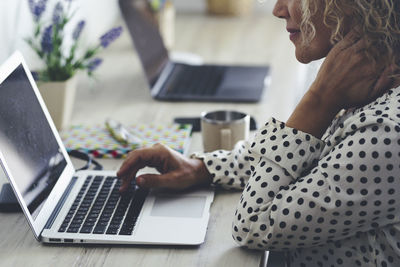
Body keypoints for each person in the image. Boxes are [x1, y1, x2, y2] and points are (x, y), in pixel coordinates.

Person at [118, 0, 400, 266]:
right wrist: (203, 168)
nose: (278, 10)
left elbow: (254, 224)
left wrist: (318, 100)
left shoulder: (387, 132)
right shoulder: (369, 81)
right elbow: (311, 162)